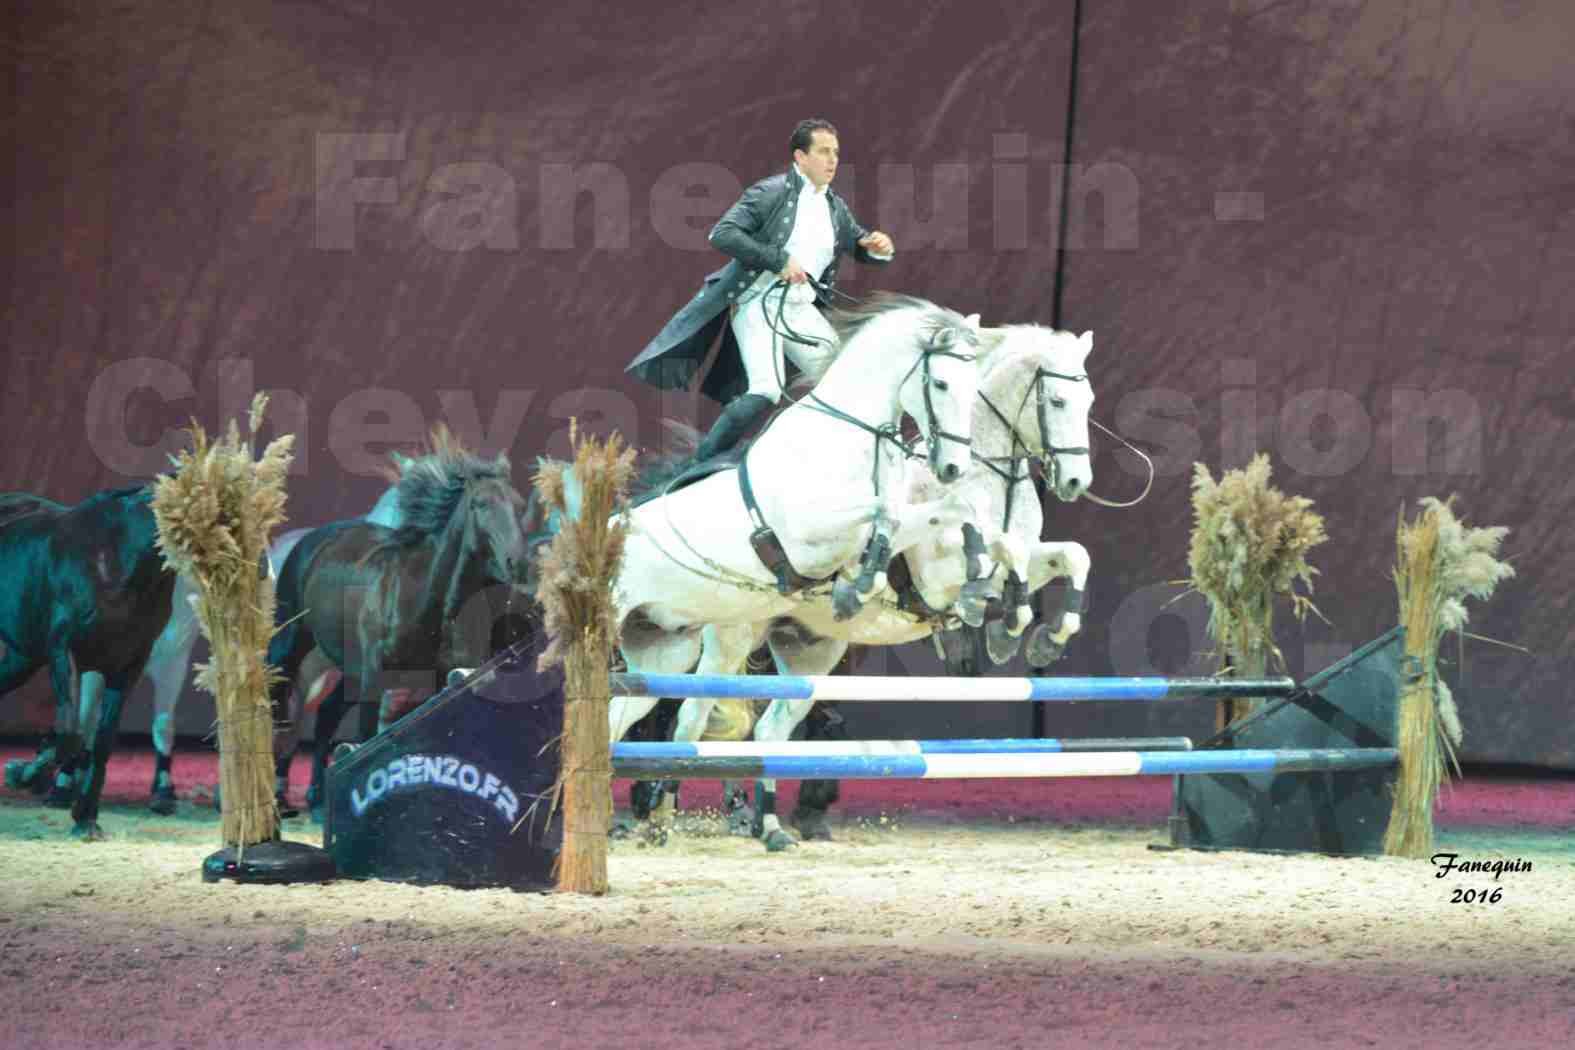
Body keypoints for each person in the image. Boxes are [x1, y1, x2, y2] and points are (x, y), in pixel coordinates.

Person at [626, 118, 896, 460]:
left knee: (842, 377)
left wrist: (877, 246)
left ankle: (832, 456)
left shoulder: (833, 206)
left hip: (800, 308)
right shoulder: (769, 193)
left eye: (836, 153)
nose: (833, 160)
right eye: (824, 152)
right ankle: (699, 465)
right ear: (800, 157)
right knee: (767, 389)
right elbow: (723, 233)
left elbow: (857, 242)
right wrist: (778, 260)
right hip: (758, 306)